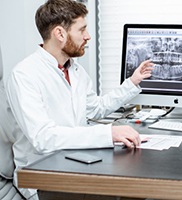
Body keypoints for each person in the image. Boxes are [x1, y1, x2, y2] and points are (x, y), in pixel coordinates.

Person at [5, 0, 153, 199]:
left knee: (135, 189)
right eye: (82, 29)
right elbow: (43, 138)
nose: (88, 36)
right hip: (41, 177)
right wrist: (108, 133)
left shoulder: (75, 70)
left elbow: (95, 109)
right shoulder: (24, 75)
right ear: (60, 34)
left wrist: (132, 82)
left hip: (77, 164)